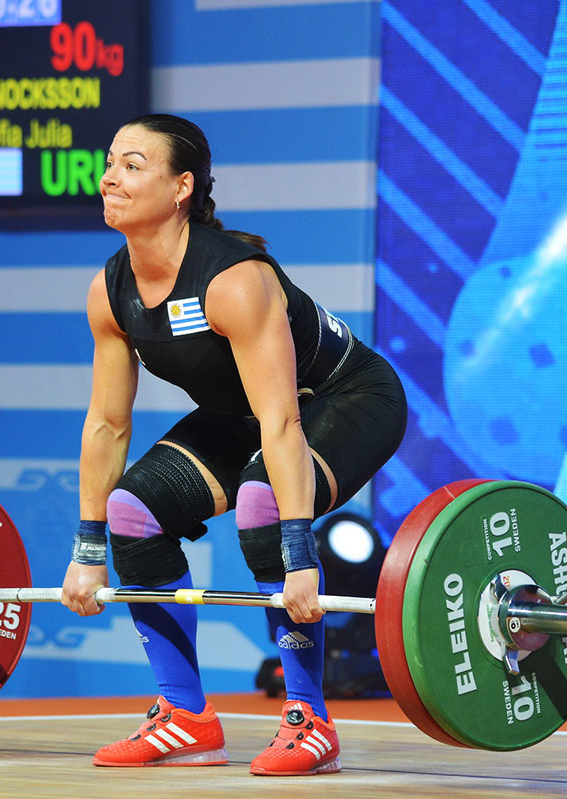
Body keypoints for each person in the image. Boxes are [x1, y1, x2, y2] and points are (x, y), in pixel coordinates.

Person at [60, 114, 408, 776]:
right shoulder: (111, 292)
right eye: (110, 162)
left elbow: (281, 422)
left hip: (345, 399)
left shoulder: (233, 280)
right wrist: (86, 550)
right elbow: (107, 425)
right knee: (132, 512)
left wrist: (300, 557)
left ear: (181, 186)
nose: (111, 177)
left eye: (133, 165)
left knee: (262, 502)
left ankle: (311, 719)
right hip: (245, 412)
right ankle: (185, 715)